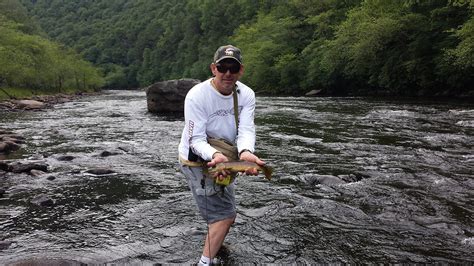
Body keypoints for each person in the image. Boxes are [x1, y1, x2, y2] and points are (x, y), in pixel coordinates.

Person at [178, 45, 265, 265]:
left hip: (225, 160)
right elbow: (195, 140)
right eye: (222, 67)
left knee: (227, 215)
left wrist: (246, 153)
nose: (227, 73)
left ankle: (215, 241)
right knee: (224, 216)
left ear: (241, 70)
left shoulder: (246, 94)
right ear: (213, 69)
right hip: (197, 161)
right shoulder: (196, 95)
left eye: (232, 68)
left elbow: (246, 130)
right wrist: (215, 155)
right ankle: (204, 262)